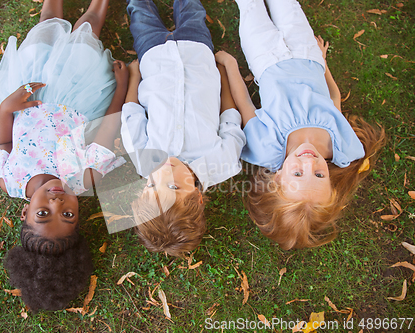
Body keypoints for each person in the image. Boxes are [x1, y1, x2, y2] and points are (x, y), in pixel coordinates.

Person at [0, 0, 129, 311]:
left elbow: (4, 142)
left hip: (28, 92)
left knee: (44, 29)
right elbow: (108, 127)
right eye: (68, 215)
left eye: (43, 214)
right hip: (77, 93)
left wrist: (6, 108)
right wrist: (121, 87)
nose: (57, 203)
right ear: (79, 217)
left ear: (24, 213)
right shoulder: (85, 177)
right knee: (87, 30)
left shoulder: (10, 181)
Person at [215, 0, 385, 250]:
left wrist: (230, 65)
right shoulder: (338, 146)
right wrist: (323, 63)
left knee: (250, 7)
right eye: (319, 175)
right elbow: (333, 99)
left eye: (298, 173)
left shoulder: (267, 147)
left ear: (277, 180)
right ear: (330, 182)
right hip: (308, 55)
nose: (310, 162)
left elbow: (245, 105)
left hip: (265, 58)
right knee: (287, 5)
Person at [122, 0, 246, 257]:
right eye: (175, 187)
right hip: (197, 52)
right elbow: (230, 117)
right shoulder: (223, 163)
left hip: (153, 56)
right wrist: (221, 73)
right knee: (191, 8)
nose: (165, 174)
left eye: (153, 187)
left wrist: (134, 76)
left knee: (139, 11)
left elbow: (132, 114)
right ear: (199, 198)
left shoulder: (144, 160)